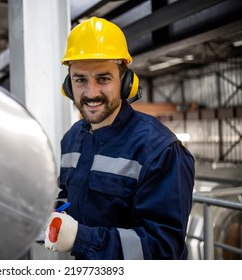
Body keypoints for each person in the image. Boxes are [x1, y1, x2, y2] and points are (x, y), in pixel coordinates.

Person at [43, 17, 195, 260]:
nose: (91, 93)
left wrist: (79, 238)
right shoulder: (72, 138)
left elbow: (163, 250)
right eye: (80, 79)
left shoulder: (159, 150)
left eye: (103, 78)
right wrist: (50, 213)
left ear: (126, 83)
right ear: (68, 86)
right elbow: (70, 196)